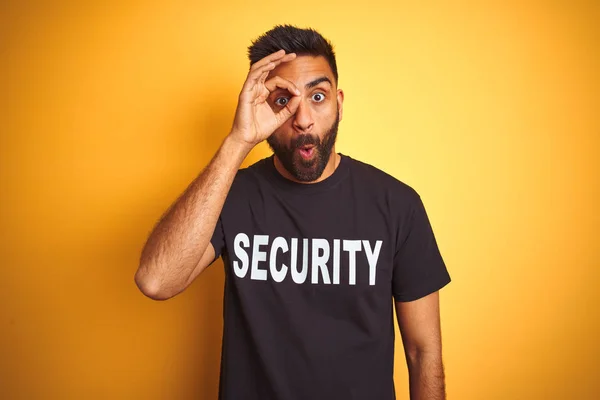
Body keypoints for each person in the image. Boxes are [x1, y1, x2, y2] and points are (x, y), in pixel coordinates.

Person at [135, 24, 451, 400]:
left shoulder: (397, 205)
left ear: (340, 103)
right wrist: (238, 142)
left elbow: (423, 352)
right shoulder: (229, 196)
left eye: (318, 96)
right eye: (283, 101)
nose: (303, 119)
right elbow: (156, 281)